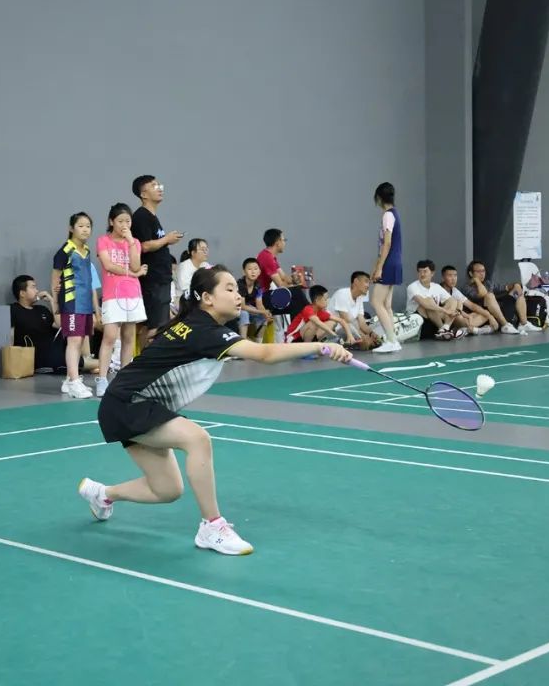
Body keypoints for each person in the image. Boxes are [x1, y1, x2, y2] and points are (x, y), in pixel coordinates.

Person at [77, 265, 352, 556]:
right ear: (207, 298)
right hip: (127, 404)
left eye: (237, 289)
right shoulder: (204, 330)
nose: (238, 295)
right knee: (198, 439)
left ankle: (102, 494)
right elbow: (264, 353)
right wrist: (320, 347)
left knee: (167, 490)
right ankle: (212, 526)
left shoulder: (199, 324)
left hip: (130, 403)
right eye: (229, 289)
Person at [95, 203, 147, 397]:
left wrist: (131, 241)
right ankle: (102, 379)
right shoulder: (103, 241)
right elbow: (108, 265)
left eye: (128, 221)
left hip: (133, 295)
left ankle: (123, 381)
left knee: (128, 337)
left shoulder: (135, 242)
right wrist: (133, 274)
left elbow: (136, 265)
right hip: (112, 295)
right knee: (109, 336)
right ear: (111, 222)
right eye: (120, 221)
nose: (125, 225)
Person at [130, 175, 183, 348]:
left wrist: (166, 240)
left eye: (159, 185)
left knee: (154, 325)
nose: (159, 188)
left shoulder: (152, 217)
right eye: (154, 186)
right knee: (155, 326)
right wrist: (167, 239)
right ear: (144, 194)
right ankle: (150, 359)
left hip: (161, 279)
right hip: (153, 280)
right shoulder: (141, 216)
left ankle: (146, 359)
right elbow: (144, 246)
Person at [51, 212, 96, 398]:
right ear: (71, 228)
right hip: (71, 302)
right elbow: (55, 279)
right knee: (74, 341)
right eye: (81, 226)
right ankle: (75, 382)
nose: (85, 230)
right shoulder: (65, 251)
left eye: (88, 226)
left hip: (85, 303)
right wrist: (56, 306)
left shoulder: (87, 251)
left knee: (80, 341)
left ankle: (70, 380)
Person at [460, 260, 539, 334]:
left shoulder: (488, 283)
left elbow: (506, 287)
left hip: (501, 311)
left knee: (518, 293)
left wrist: (516, 285)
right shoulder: (466, 287)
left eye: (483, 271)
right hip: (487, 316)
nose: (482, 274)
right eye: (478, 271)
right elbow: (483, 293)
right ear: (471, 273)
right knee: (489, 295)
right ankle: (505, 326)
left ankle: (523, 324)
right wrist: (477, 281)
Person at [370, 182, 403, 353]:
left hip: (389, 263)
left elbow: (387, 243)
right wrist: (376, 266)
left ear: (378, 198)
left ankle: (391, 340)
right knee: (386, 304)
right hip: (393, 262)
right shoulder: (395, 213)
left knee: (376, 301)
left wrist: (380, 267)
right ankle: (394, 339)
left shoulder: (388, 215)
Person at [9, 275, 66, 372]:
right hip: (35, 356)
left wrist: (52, 301)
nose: (37, 291)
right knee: (69, 360)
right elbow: (10, 337)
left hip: (55, 350)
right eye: (33, 287)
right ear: (22, 293)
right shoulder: (13, 310)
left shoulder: (42, 309)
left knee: (77, 329)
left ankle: (90, 362)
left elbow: (60, 325)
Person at [405, 259, 467, 340]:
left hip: (434, 319)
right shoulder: (412, 286)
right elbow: (425, 304)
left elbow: (452, 301)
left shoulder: (436, 286)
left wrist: (455, 311)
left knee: (453, 302)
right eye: (419, 272)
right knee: (429, 302)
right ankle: (444, 330)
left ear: (432, 273)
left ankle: (445, 328)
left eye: (425, 271)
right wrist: (446, 311)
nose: (422, 274)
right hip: (418, 321)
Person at [328, 271, 380, 349]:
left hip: (351, 328)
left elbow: (362, 323)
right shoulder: (342, 294)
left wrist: (372, 334)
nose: (368, 286)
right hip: (337, 330)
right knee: (354, 327)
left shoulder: (360, 298)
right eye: (366, 281)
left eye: (369, 283)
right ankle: (355, 343)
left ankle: (359, 343)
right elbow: (345, 321)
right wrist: (363, 336)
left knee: (375, 329)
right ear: (356, 281)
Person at [237, 258, 271, 340]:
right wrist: (262, 311)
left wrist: (266, 314)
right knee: (244, 314)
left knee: (263, 317)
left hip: (247, 308)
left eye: (255, 269)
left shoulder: (258, 285)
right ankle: (243, 339)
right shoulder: (240, 284)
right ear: (244, 271)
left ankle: (258, 341)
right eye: (249, 269)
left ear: (259, 272)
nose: (253, 272)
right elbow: (242, 306)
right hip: (236, 309)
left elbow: (259, 304)